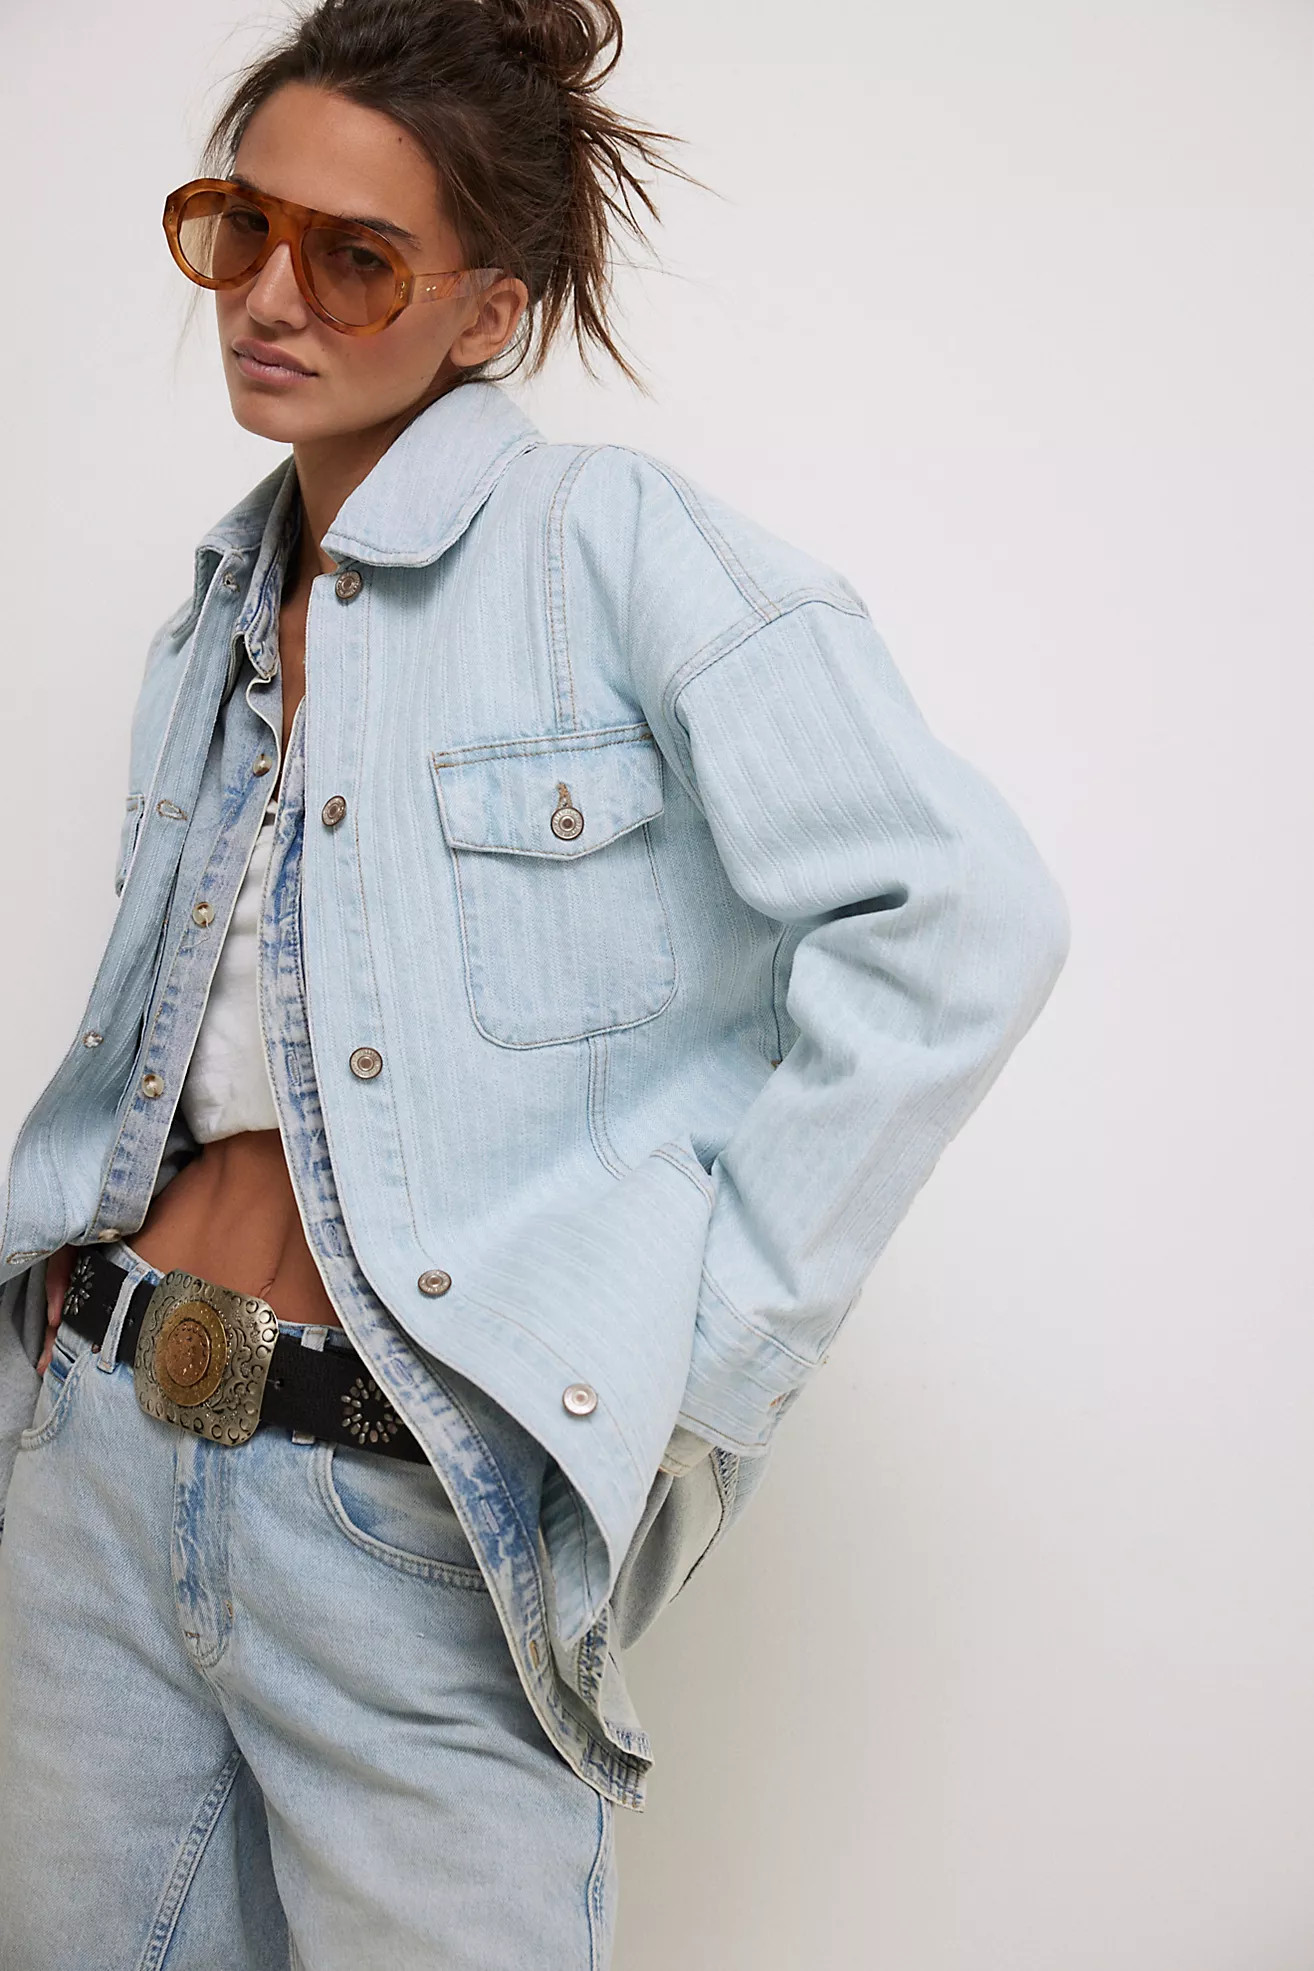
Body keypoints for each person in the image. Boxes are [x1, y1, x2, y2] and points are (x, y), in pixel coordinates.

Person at [0, 1, 1071, 1965]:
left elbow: (955, 915)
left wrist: (698, 1374)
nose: (269, 295)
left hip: (398, 1516)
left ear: (486, 312)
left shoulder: (611, 548)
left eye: (355, 256)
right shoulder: (213, 615)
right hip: (93, 1469)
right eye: (239, 227)